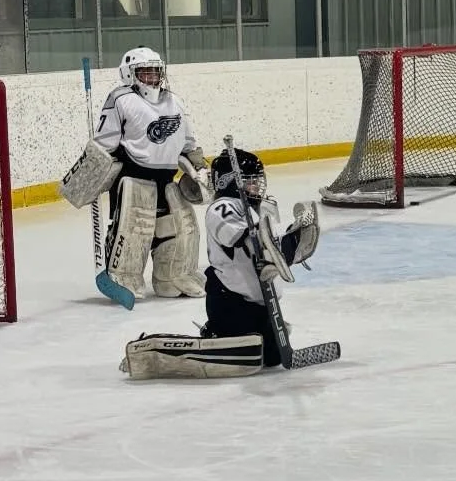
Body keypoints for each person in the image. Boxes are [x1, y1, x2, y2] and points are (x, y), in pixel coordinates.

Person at [119, 146, 321, 380]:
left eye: (258, 180)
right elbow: (238, 237)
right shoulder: (221, 207)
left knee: (272, 356)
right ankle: (209, 335)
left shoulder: (256, 210)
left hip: (259, 303)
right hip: (230, 301)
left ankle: (287, 246)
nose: (257, 186)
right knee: (251, 353)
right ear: (230, 182)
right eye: (250, 181)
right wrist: (264, 240)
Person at [94, 46, 206, 299]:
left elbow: (188, 141)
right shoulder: (120, 99)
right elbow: (105, 142)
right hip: (133, 178)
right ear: (129, 74)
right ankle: (124, 277)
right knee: (134, 230)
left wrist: (197, 166)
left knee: (180, 229)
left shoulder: (175, 100)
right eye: (145, 71)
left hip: (167, 180)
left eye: (156, 71)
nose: (152, 77)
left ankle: (173, 276)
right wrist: (92, 173)